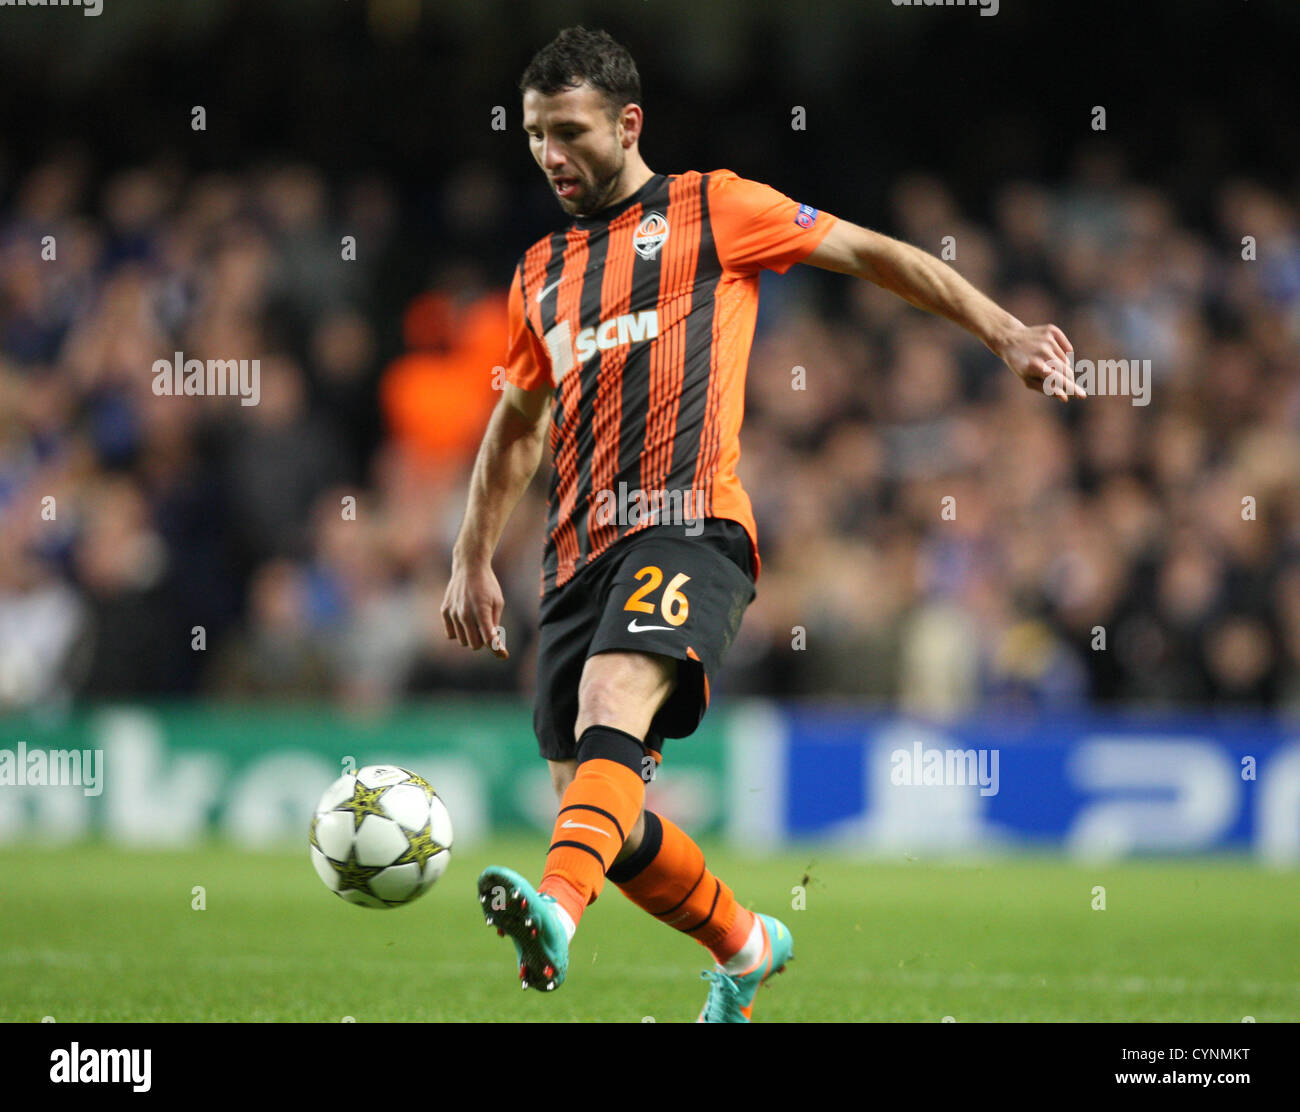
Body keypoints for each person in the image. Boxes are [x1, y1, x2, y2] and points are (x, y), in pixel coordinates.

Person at [440, 25, 1082, 1023]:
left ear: (627, 122)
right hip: (574, 558)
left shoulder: (712, 207)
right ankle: (745, 943)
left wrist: (1003, 331)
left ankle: (556, 914)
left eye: (567, 131)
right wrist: (470, 554)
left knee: (613, 701)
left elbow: (872, 252)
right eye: (532, 135)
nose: (548, 154)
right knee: (598, 801)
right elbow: (519, 419)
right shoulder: (540, 271)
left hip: (693, 525)